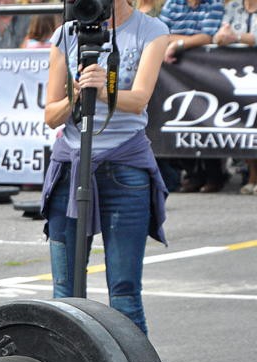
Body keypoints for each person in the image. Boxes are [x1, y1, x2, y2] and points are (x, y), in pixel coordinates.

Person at [41, 0, 170, 335]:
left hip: (124, 165)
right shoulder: (66, 33)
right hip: (71, 164)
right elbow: (50, 114)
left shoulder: (151, 30)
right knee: (65, 292)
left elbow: (140, 98)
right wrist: (77, 94)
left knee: (124, 292)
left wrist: (102, 90)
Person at [212, 0, 257, 195]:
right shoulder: (233, 5)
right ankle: (251, 171)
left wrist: (233, 37)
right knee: (244, 121)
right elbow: (221, 32)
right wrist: (220, 37)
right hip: (239, 70)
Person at [158, 0, 226, 192]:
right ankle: (193, 174)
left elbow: (207, 36)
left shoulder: (214, 4)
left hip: (208, 71)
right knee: (180, 119)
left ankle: (214, 175)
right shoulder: (173, 3)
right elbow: (162, 33)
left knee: (208, 119)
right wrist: (186, 40)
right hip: (176, 73)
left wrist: (178, 43)